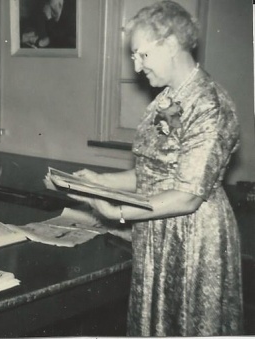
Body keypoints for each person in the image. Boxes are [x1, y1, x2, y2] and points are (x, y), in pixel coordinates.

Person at [65, 1, 243, 336]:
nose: (136, 65)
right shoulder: (168, 98)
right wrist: (101, 181)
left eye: (142, 54)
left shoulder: (209, 104)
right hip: (158, 226)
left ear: (172, 44)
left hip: (193, 235)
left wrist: (119, 211)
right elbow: (154, 172)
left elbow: (188, 196)